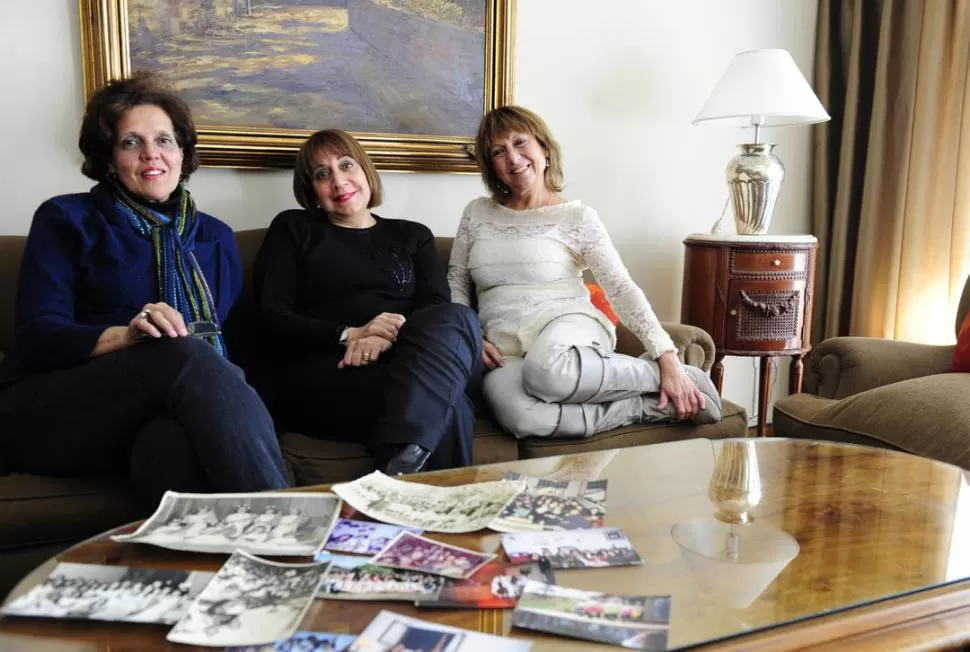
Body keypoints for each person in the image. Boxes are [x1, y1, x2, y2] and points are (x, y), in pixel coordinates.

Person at [0, 71, 288, 506]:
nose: (152, 155)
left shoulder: (216, 236)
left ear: (182, 152)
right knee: (178, 350)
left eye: (165, 140)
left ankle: (187, 570)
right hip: (56, 409)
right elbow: (38, 337)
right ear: (110, 158)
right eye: (131, 142)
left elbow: (241, 346)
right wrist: (128, 337)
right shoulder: (67, 219)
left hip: (161, 412)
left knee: (169, 443)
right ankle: (290, 532)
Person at [448, 105, 722, 439]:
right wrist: (469, 334)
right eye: (498, 151)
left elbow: (620, 287)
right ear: (492, 166)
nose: (513, 158)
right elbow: (457, 280)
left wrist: (666, 356)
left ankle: (675, 375)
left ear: (544, 149)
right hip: (504, 346)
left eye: (521, 143)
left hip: (566, 324)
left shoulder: (577, 218)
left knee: (548, 372)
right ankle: (646, 407)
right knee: (524, 419)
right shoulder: (476, 213)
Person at [253, 129, 482, 475]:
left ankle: (398, 473)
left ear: (366, 171)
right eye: (322, 174)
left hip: (407, 362)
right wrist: (351, 333)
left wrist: (382, 336)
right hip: (328, 372)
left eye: (346, 165)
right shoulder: (294, 229)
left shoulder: (413, 236)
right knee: (453, 405)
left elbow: (434, 309)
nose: (338, 181)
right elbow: (270, 316)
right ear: (311, 190)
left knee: (456, 316)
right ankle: (426, 503)